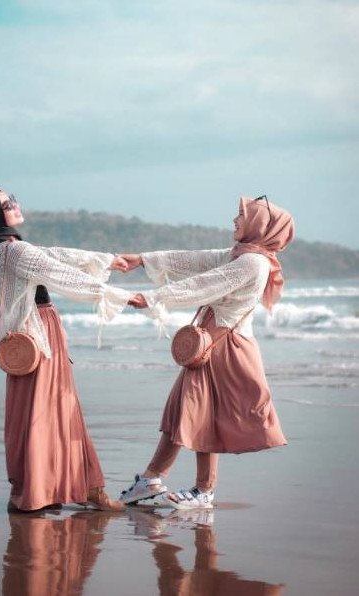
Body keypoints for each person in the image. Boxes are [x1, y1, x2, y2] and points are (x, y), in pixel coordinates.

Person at [119, 195, 295, 509]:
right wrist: (142, 260)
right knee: (185, 412)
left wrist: (152, 297)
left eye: (242, 216)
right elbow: (194, 260)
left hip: (225, 346)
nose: (235, 221)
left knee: (198, 414)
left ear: (259, 225)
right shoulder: (239, 254)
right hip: (208, 344)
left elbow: (204, 284)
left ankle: (198, 489)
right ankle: (154, 480)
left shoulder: (253, 263)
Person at [0, 186, 130, 512]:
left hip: (27, 336)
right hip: (39, 334)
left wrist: (108, 260)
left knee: (39, 410)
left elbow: (54, 255)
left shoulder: (5, 248)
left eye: (13, 199)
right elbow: (60, 272)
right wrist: (123, 296)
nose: (15, 205)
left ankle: (52, 489)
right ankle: (58, 491)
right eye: (7, 203)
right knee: (51, 410)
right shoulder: (13, 250)